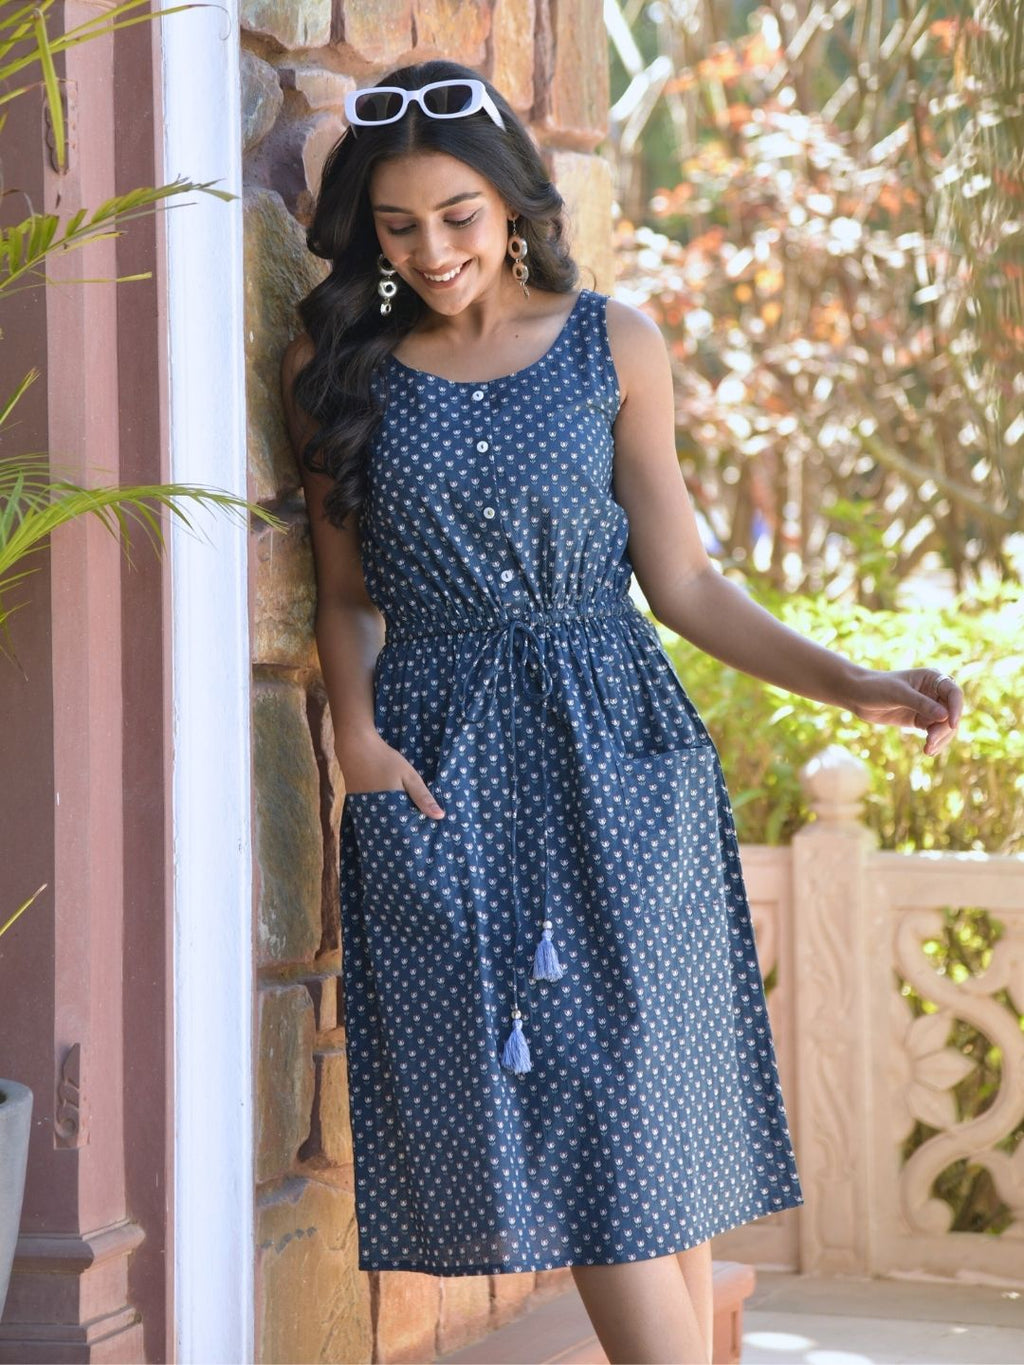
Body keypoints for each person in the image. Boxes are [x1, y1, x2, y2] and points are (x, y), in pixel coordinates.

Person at [279, 58, 963, 1365]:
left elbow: (687, 580)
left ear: (517, 207)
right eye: (398, 225)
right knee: (575, 1118)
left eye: (460, 217)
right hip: (445, 768)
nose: (432, 251)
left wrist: (854, 681)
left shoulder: (613, 343)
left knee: (645, 1117)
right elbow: (349, 590)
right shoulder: (339, 366)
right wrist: (359, 739)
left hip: (619, 747)